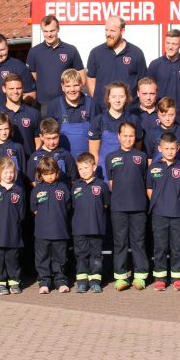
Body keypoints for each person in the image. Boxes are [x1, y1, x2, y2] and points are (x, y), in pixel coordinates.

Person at [107, 121, 149, 290]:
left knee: (139, 242)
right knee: (120, 242)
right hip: (118, 207)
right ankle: (121, 277)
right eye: (125, 135)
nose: (128, 139)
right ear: (118, 137)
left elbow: (146, 181)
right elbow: (111, 183)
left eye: (131, 136)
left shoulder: (142, 157)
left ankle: (140, 277)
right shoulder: (111, 157)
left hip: (138, 207)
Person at [147, 133, 180, 291]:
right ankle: (160, 278)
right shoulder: (154, 167)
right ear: (160, 149)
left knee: (177, 246)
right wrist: (159, 203)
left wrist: (176, 202)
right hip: (159, 214)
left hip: (177, 213)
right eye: (166, 148)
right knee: (160, 246)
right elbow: (149, 189)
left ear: (177, 148)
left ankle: (177, 278)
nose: (170, 151)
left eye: (173, 148)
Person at [27, 15, 85, 114]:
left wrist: (72, 95)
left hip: (66, 104)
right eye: (45, 31)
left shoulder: (70, 50)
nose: (49, 34)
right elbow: (32, 79)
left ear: (58, 29)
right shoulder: (34, 52)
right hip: (42, 105)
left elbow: (82, 79)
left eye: (52, 31)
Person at [30, 156, 72, 294]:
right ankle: (44, 281)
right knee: (42, 257)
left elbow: (67, 207)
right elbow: (34, 209)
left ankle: (60, 280)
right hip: (42, 232)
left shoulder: (63, 188)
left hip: (60, 231)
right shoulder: (37, 190)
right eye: (46, 174)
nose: (49, 177)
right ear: (40, 175)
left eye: (51, 173)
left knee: (60, 257)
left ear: (57, 172)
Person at [86, 16, 147, 107]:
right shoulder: (96, 52)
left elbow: (143, 82)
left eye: (112, 31)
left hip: (129, 111)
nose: (108, 34)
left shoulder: (136, 53)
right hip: (103, 111)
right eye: (106, 30)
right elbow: (91, 79)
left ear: (122, 31)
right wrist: (99, 101)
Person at [0, 156, 25, 296]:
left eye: (11, 172)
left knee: (13, 259)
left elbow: (22, 213)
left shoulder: (18, 191)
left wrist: (15, 223)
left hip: (13, 233)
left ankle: (14, 282)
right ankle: (0, 282)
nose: (9, 175)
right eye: (5, 172)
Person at [71, 153, 107, 293]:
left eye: (86, 167)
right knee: (81, 255)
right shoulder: (75, 187)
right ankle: (82, 282)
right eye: (80, 168)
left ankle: (95, 281)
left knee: (96, 256)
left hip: (96, 228)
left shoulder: (101, 186)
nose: (84, 171)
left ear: (94, 167)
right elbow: (74, 206)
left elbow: (105, 204)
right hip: (79, 229)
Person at [88, 82, 138, 180]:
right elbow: (94, 153)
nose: (117, 100)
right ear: (108, 98)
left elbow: (137, 148)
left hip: (128, 171)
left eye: (121, 96)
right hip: (104, 171)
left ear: (127, 98)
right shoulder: (99, 120)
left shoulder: (133, 119)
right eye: (114, 96)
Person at [45, 68, 94, 159]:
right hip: (62, 159)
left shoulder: (92, 103)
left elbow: (98, 134)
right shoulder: (54, 105)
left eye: (75, 85)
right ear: (62, 87)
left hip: (87, 162)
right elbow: (49, 134)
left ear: (81, 85)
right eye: (68, 86)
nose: (72, 90)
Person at [146, 28, 180, 112]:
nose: (170, 47)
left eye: (174, 44)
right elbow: (149, 90)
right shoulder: (155, 64)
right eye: (168, 43)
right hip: (161, 113)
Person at [0, 112, 26, 187]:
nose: (3, 132)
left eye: (6, 129)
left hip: (15, 192)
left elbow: (23, 172)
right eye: (0, 129)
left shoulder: (17, 147)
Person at [0, 73, 41, 152]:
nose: (15, 92)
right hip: (4, 163)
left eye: (18, 88)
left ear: (23, 88)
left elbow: (39, 141)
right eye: (11, 88)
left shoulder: (34, 114)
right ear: (4, 89)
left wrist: (32, 160)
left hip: (28, 162)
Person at [142, 98, 180, 163]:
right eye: (163, 115)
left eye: (171, 115)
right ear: (158, 114)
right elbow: (149, 160)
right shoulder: (151, 134)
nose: (167, 119)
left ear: (175, 113)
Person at [28, 118, 74, 183]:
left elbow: (73, 179)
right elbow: (32, 181)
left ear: (59, 135)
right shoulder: (35, 157)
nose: (52, 142)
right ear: (41, 137)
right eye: (48, 138)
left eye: (55, 138)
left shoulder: (65, 155)